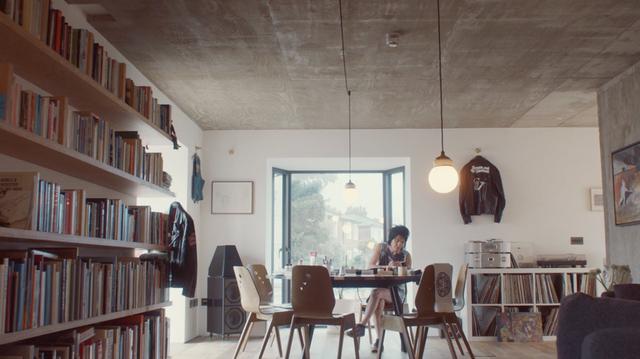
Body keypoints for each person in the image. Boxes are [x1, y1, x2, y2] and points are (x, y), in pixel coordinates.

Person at [347, 225, 412, 352]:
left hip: (397, 293)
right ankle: (379, 341)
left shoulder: (406, 255)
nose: (399, 244)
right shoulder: (381, 248)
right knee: (379, 302)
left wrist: (399, 267)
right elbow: (370, 265)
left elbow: (408, 273)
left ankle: (361, 325)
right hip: (382, 291)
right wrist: (386, 267)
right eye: (397, 240)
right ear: (391, 239)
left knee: (376, 293)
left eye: (403, 242)